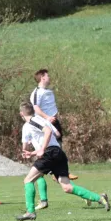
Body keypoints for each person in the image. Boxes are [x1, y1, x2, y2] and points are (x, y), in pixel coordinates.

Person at [16, 102, 110, 221]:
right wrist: (33, 152)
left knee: (28, 180)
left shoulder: (33, 121)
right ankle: (100, 198)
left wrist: (42, 149)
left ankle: (30, 212)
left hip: (49, 153)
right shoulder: (40, 120)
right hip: (58, 152)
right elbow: (55, 134)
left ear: (21, 114)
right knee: (67, 187)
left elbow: (48, 132)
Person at [30, 69, 77, 211]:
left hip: (54, 121)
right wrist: (47, 118)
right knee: (51, 150)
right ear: (42, 78)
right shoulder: (37, 92)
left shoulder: (48, 91)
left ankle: (60, 172)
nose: (49, 77)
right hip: (47, 122)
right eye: (47, 75)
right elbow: (36, 108)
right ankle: (55, 174)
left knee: (58, 148)